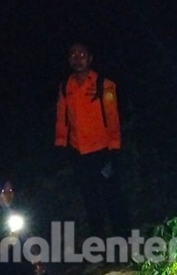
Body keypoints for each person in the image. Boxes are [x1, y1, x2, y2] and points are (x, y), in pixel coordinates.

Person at [55, 42, 130, 238]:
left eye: (82, 55)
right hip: (78, 152)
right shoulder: (66, 86)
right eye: (73, 55)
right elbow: (62, 117)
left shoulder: (103, 84)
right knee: (90, 198)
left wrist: (114, 149)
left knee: (112, 195)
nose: (77, 59)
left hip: (102, 151)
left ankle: (122, 238)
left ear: (89, 59)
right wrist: (61, 144)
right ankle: (97, 241)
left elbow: (113, 118)